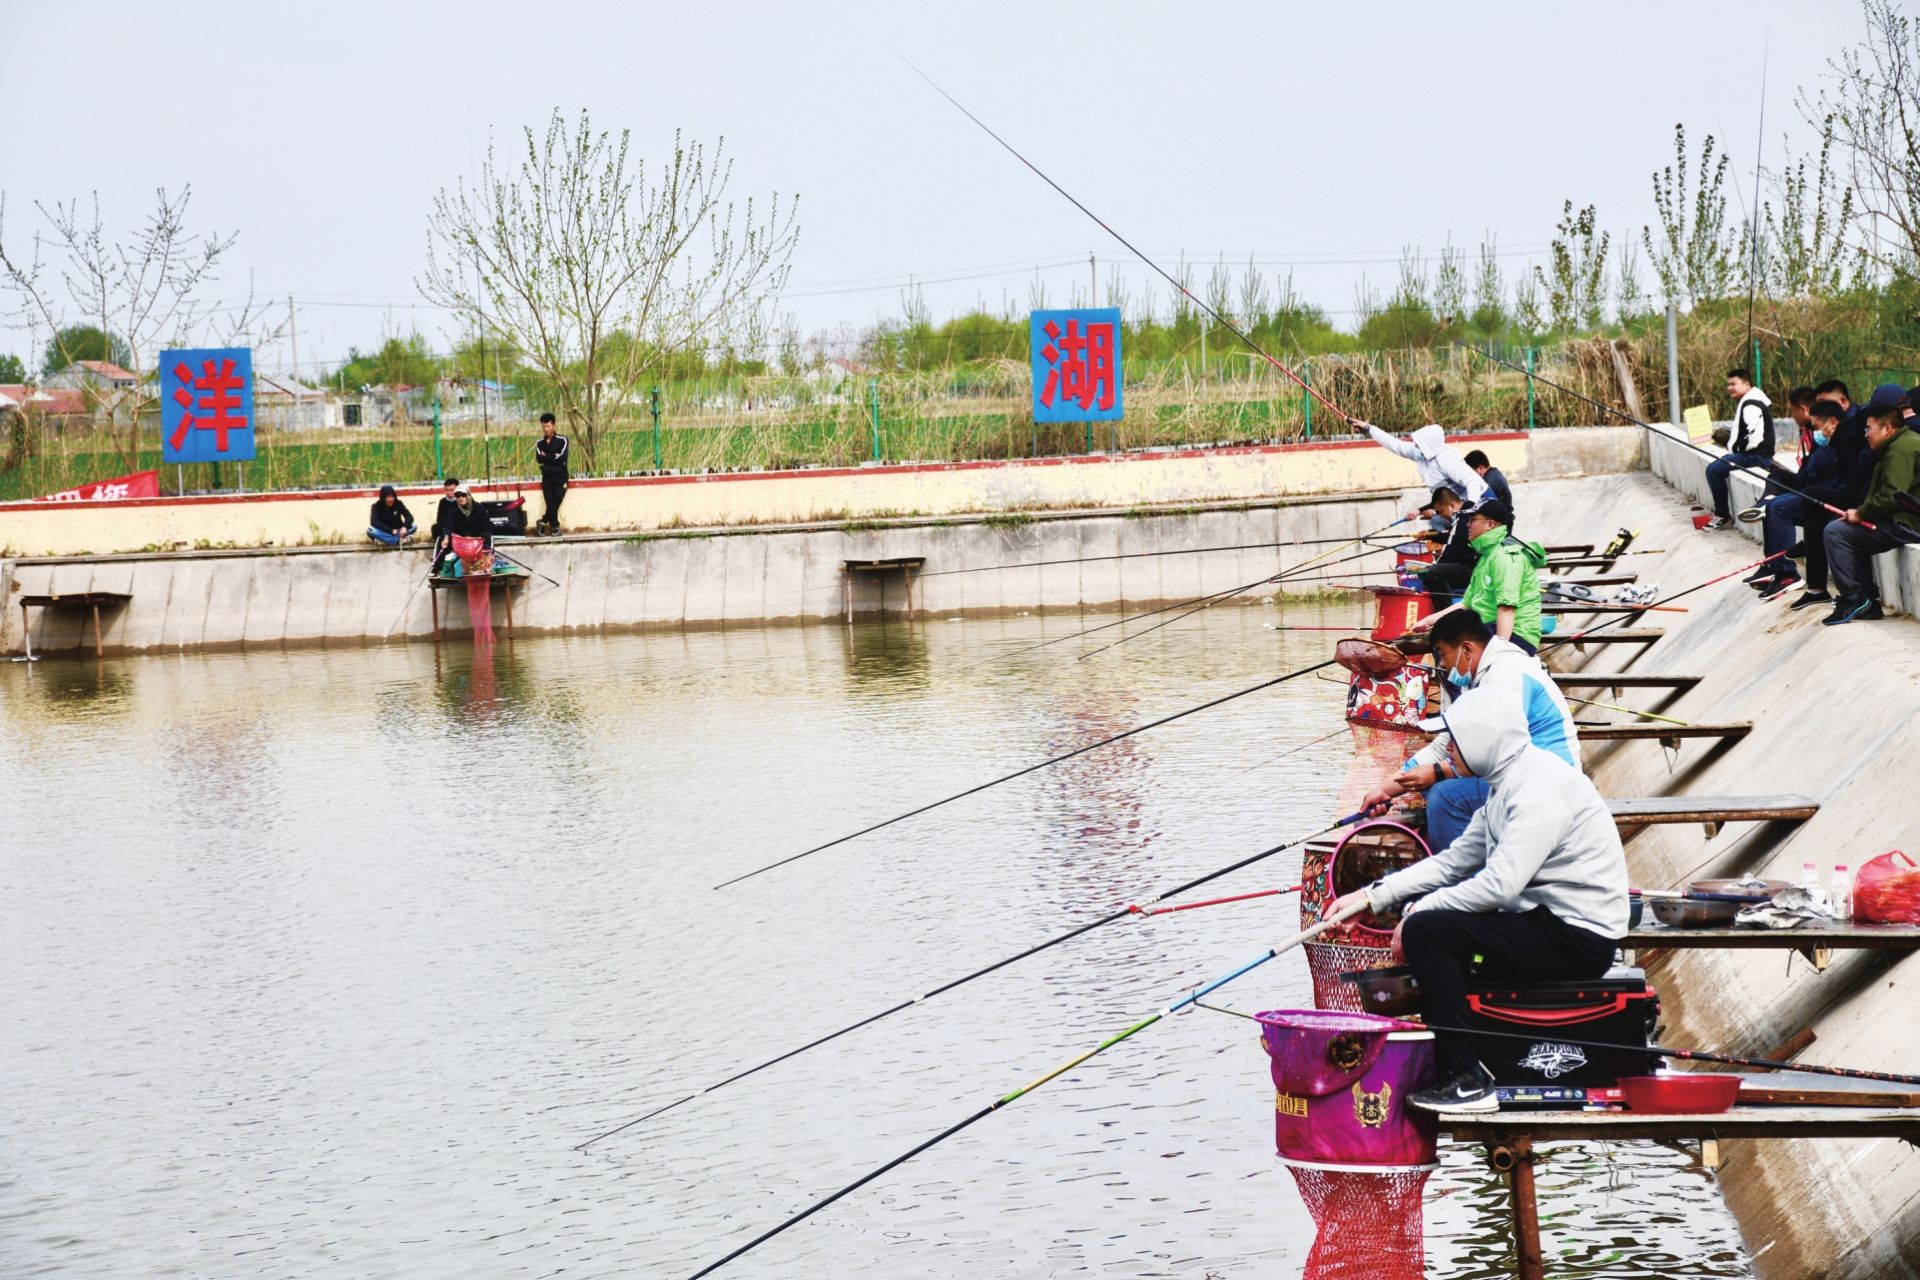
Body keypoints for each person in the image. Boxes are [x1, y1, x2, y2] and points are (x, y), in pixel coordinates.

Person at [1330, 685, 1629, 1111]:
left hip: (1577, 938)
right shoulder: (1508, 782)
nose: (1445, 749)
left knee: (1429, 933)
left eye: (1452, 740)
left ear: (1482, 742)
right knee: (1434, 933)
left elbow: (1500, 885)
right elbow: (1454, 861)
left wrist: (1417, 911)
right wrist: (1370, 896)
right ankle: (1471, 1058)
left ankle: (1466, 1080)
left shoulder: (1536, 791)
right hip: (1544, 922)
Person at [1361, 609, 1580, 852]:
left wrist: (1437, 772)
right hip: (1519, 775)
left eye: (1443, 655)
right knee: (1433, 788)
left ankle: (1464, 879)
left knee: (1446, 797)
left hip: (1552, 780)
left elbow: (1499, 748)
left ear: (1467, 649)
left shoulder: (1509, 673)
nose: (1442, 664)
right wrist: (1386, 788)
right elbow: (1443, 746)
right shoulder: (1477, 678)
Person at [1821, 393, 1920, 625]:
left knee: (1836, 532)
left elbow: (1892, 495)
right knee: (1850, 534)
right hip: (1905, 518)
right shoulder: (1903, 443)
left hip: (1908, 523)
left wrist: (1861, 513)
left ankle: (1854, 598)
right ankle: (1869, 602)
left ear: (1886, 428)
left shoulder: (1900, 450)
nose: (1866, 435)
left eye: (1869, 429)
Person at [1413, 498, 1545, 653]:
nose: (1467, 525)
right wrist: (1429, 621)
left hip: (1516, 635)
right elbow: (1467, 604)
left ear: (1490, 524)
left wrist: (1500, 655)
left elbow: (1507, 609)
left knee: (1451, 645)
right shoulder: (1486, 555)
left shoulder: (1505, 556)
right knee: (1442, 637)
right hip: (1490, 627)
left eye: (1472, 520)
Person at [1752, 398, 1849, 608]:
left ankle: (1787, 574)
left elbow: (1831, 475)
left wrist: (1812, 487)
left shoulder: (1845, 440)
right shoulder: (1824, 439)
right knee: (1776, 501)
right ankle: (1811, 587)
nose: (1815, 431)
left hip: (1832, 498)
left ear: (1831, 421)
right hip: (1815, 494)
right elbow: (1807, 470)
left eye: (1815, 426)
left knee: (1779, 508)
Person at [1354, 421, 1488, 507]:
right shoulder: (1421, 454)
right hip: (1451, 506)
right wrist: (1369, 428)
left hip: (1479, 501)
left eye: (1419, 444)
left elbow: (1472, 482)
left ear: (1428, 445)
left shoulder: (1447, 459)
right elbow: (1396, 445)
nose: (1415, 446)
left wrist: (1469, 506)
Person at [1703, 369, 1774, 530]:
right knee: (1714, 468)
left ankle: (1722, 515)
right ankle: (1721, 514)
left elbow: (1753, 437)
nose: (1730, 388)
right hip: (1752, 454)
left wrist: (1735, 447)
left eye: (1734, 384)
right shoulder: (1751, 400)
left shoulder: (1751, 404)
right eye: (1728, 384)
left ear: (1747, 384)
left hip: (1756, 456)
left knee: (1714, 470)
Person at [1414, 486, 1477, 604]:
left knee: (1433, 572)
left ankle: (1446, 615)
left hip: (1475, 568)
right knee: (1433, 570)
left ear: (1451, 505)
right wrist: (1429, 535)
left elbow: (1452, 549)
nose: (1441, 516)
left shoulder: (1464, 518)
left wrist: (1432, 568)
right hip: (1472, 564)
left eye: (1441, 512)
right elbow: (1452, 538)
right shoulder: (1468, 513)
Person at [535, 412, 570, 534]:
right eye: (543, 426)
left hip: (561, 476)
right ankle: (555, 526)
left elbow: (562, 458)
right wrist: (553, 456)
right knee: (550, 502)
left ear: (553, 425)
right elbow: (539, 459)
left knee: (557, 498)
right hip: (547, 477)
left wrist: (547, 457)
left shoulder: (563, 440)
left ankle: (543, 521)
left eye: (548, 426)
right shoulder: (539, 443)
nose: (546, 429)